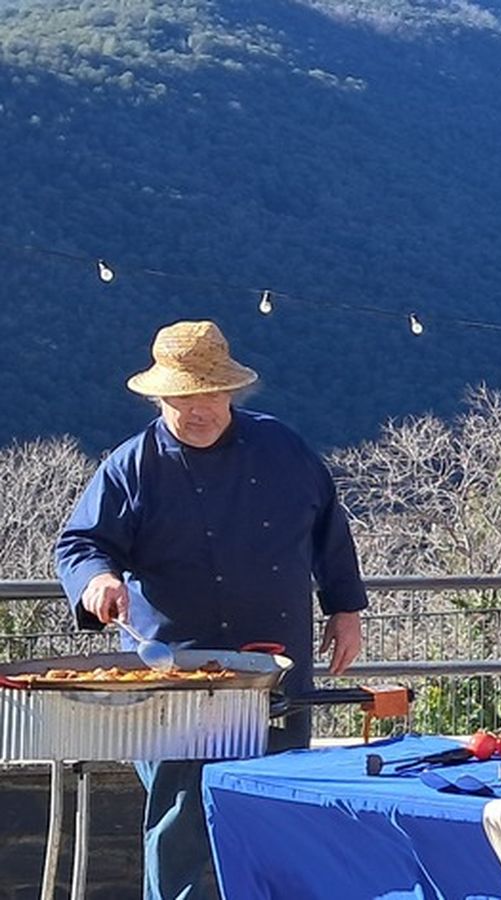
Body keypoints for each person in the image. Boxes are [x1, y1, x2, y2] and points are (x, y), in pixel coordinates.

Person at [55, 320, 368, 900]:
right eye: (181, 400)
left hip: (274, 670)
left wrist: (345, 609)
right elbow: (79, 544)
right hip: (173, 676)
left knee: (278, 802)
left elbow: (330, 528)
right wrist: (97, 580)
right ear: (159, 398)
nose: (196, 411)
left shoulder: (283, 447)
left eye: (208, 396)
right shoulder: (132, 465)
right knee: (180, 815)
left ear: (231, 391)